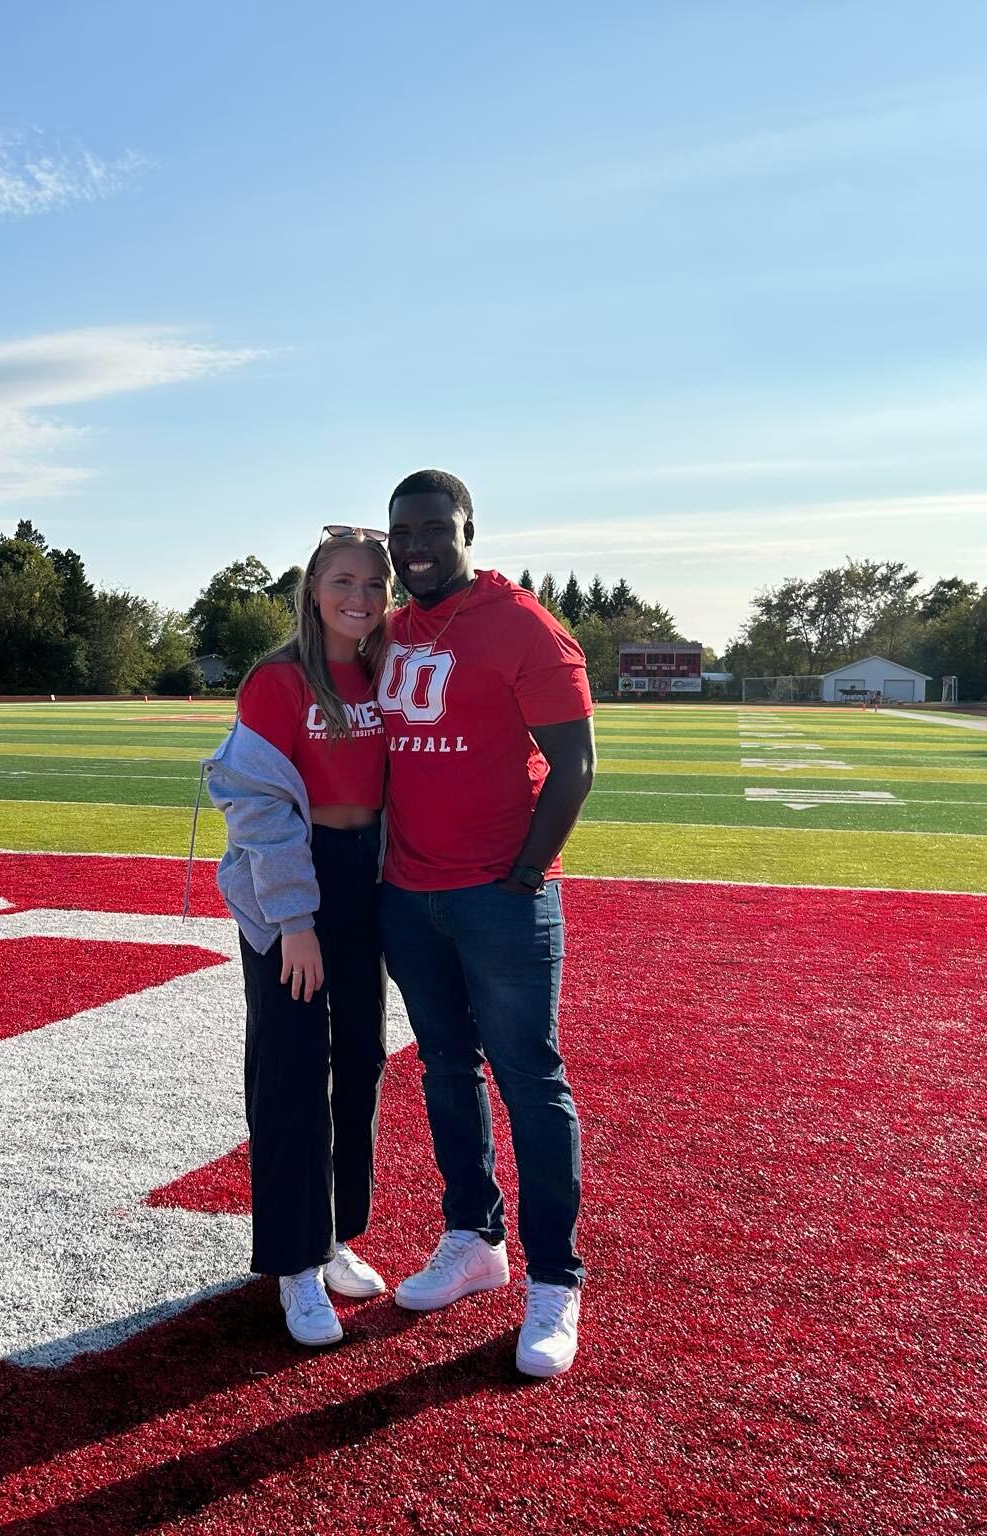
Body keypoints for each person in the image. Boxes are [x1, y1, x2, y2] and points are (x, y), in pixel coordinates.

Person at [376, 469, 597, 1381]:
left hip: (498, 897)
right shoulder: (391, 630)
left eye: (434, 528)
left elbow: (576, 765)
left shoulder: (523, 624)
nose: (416, 545)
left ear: (469, 528)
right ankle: (474, 1236)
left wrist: (517, 877)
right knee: (441, 1068)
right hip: (408, 892)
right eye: (403, 532)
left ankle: (556, 1278)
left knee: (530, 1079)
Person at [205, 528, 395, 1347]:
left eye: (376, 584)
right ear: (314, 588)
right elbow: (252, 803)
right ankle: (292, 1261)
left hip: (370, 884)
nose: (360, 597)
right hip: (291, 885)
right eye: (344, 580)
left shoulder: (393, 674)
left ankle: (335, 1234)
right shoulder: (278, 679)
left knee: (361, 1058)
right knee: (289, 1068)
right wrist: (294, 922)